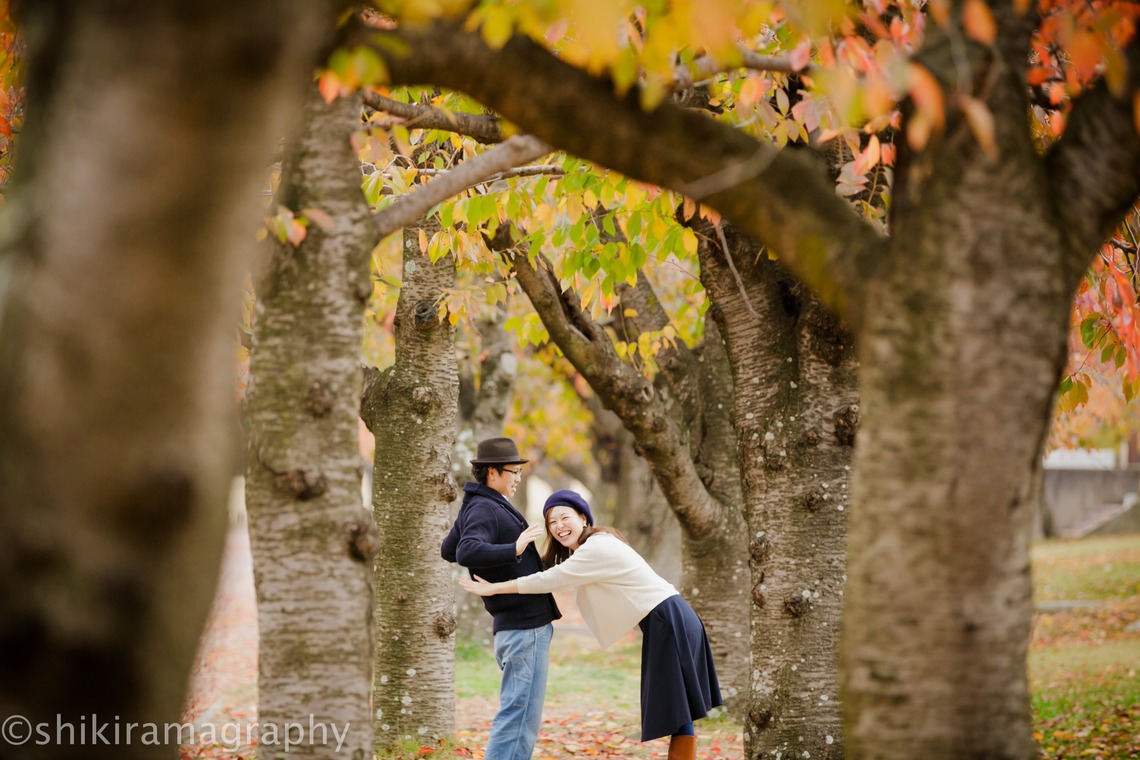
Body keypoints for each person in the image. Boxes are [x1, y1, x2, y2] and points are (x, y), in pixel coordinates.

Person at [459, 489, 721, 760]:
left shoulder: (598, 547)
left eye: (565, 517)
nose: (559, 526)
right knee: (676, 705)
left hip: (670, 620)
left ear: (583, 518)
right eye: (552, 522)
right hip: (668, 618)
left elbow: (549, 580)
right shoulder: (592, 547)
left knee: (677, 705)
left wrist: (495, 588)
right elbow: (551, 573)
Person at [441, 437, 561, 760]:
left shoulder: (476, 503)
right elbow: (466, 550)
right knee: (518, 721)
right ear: (492, 472)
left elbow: (448, 549)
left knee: (518, 717)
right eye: (513, 472)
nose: (518, 479)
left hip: (515, 628)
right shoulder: (484, 507)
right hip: (524, 630)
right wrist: (515, 548)